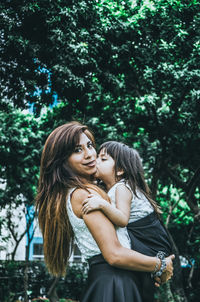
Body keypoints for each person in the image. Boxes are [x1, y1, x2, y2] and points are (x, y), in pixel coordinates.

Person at [35, 122, 174, 302]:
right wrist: (161, 265)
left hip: (115, 279)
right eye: (77, 150)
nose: (90, 154)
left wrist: (151, 268)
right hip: (115, 281)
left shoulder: (87, 191)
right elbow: (114, 254)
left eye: (90, 145)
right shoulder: (85, 195)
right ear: (62, 161)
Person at [82, 141, 172, 301]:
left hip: (150, 241)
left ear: (120, 170)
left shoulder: (122, 188)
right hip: (148, 242)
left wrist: (102, 204)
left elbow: (122, 219)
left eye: (103, 159)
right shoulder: (114, 188)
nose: (96, 161)